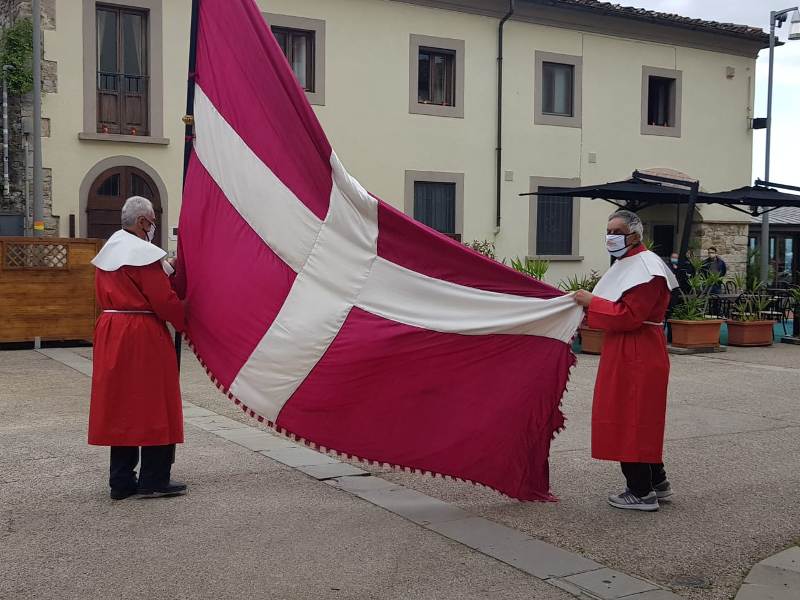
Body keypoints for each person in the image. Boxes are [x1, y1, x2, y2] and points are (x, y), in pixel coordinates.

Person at [574, 210, 678, 512]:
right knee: (640, 417)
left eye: (617, 232)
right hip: (632, 348)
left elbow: (629, 316)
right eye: (608, 231)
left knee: (628, 416)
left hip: (637, 350)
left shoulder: (646, 269)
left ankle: (640, 491)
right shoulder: (632, 263)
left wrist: (592, 302)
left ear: (634, 235)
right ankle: (657, 481)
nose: (611, 237)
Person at [89, 196, 187, 500]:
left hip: (112, 330)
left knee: (121, 404)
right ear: (143, 222)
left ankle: (121, 480)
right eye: (152, 221)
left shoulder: (111, 250)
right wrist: (187, 319)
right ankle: (154, 479)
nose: (153, 226)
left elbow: (130, 283)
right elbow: (162, 300)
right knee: (155, 401)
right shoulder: (143, 255)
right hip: (141, 333)